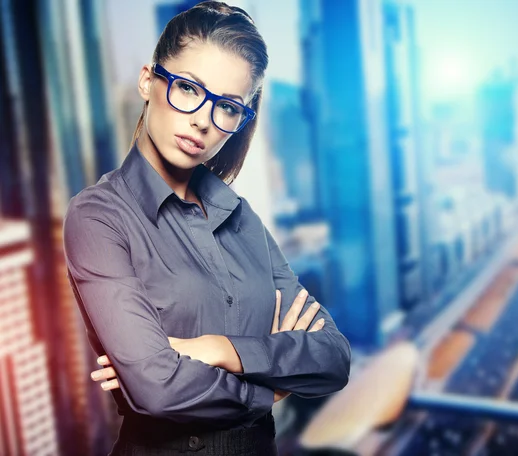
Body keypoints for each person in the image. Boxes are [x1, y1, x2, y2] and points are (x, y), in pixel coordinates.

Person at [62, 2, 351, 455]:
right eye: (188, 89)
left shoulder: (242, 218)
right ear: (147, 81)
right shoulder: (99, 216)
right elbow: (157, 387)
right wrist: (268, 390)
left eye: (228, 107)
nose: (202, 119)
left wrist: (220, 349)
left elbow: (332, 357)